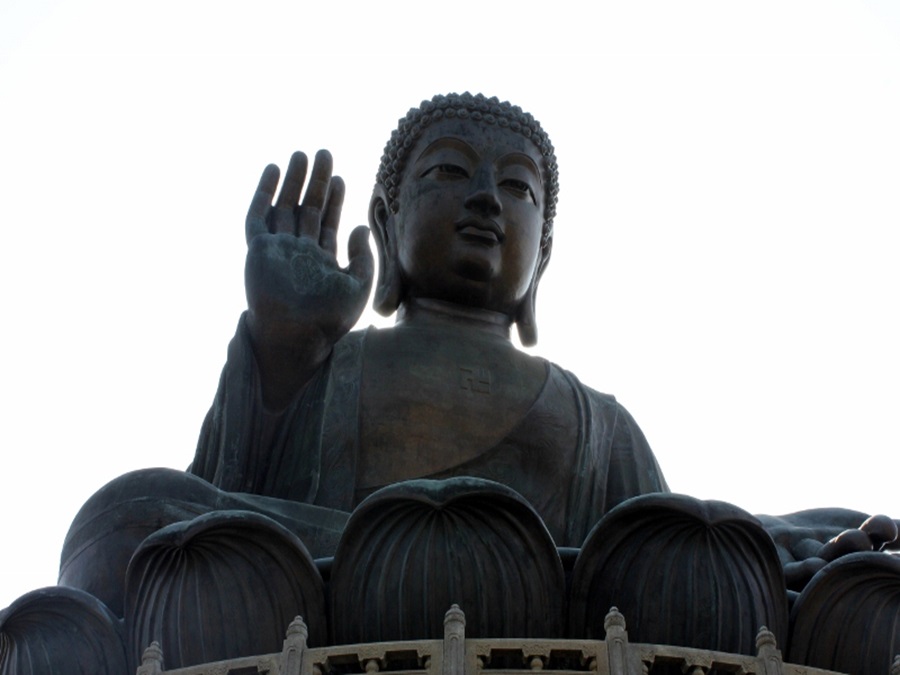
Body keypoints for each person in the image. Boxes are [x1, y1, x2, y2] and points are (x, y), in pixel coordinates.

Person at [188, 92, 669, 552]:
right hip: (332, 597)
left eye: (517, 186)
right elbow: (218, 513)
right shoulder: (322, 369)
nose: (486, 197)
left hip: (535, 601)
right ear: (385, 221)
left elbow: (657, 560)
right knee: (137, 503)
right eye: (450, 170)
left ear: (542, 252)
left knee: (724, 540)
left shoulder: (602, 426)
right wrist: (282, 346)